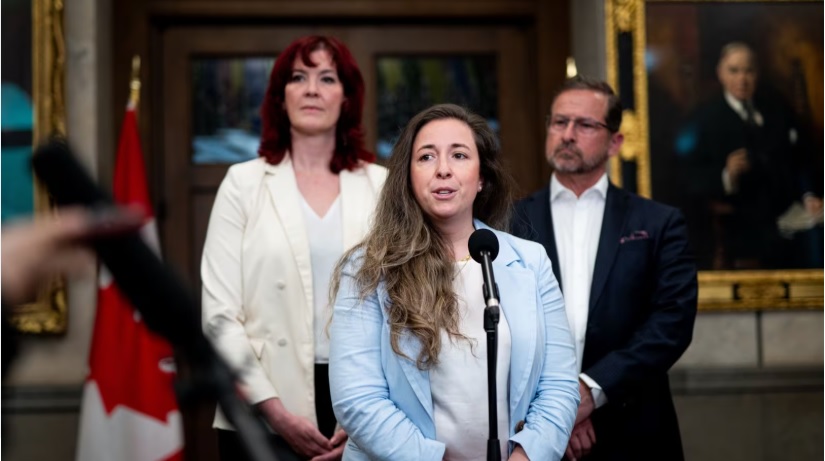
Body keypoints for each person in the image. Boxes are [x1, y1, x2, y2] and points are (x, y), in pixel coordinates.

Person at [328, 104, 580, 461]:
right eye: (426, 157)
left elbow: (559, 385)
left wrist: (526, 457)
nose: (443, 169)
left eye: (459, 155)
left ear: (482, 178)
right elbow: (357, 398)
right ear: (408, 177)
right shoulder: (368, 269)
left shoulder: (531, 261)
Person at [201, 35, 387, 461]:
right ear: (280, 97)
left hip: (366, 402)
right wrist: (274, 413)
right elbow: (219, 316)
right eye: (298, 77)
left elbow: (403, 309)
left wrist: (369, 411)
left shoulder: (382, 186)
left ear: (347, 98)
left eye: (327, 78)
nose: (312, 89)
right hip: (259, 405)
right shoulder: (242, 184)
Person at [511, 76, 697, 461]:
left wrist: (589, 392)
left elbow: (671, 323)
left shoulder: (659, 223)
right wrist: (557, 408)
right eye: (559, 122)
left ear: (615, 142)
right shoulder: (508, 223)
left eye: (584, 124)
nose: (567, 134)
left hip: (635, 429)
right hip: (531, 431)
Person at [681, 42, 823, 269]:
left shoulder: (774, 107)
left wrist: (808, 194)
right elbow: (690, 177)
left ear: (757, 73)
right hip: (742, 220)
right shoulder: (705, 119)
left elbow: (801, 156)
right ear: (720, 74)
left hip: (790, 210)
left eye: (749, 71)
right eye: (734, 71)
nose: (742, 79)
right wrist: (727, 175)